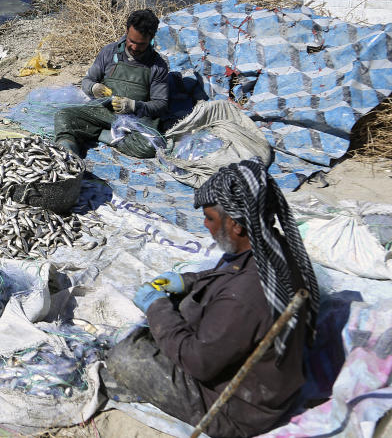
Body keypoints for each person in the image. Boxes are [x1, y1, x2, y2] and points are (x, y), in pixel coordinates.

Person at [103, 159, 320, 438]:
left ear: (237, 225)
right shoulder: (270, 245)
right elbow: (230, 272)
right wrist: (189, 280)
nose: (205, 225)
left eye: (210, 218)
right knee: (184, 303)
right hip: (260, 377)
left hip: (238, 408)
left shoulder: (243, 297)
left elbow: (199, 363)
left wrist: (157, 307)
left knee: (126, 356)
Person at [53, 9, 169, 158]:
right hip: (102, 112)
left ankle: (99, 134)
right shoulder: (109, 52)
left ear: (151, 38)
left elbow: (161, 104)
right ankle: (68, 155)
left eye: (141, 44)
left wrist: (134, 105)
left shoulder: (158, 66)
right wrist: (93, 88)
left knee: (149, 147)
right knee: (63, 116)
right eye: (131, 41)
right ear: (127, 31)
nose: (134, 47)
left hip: (135, 120)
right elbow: (87, 81)